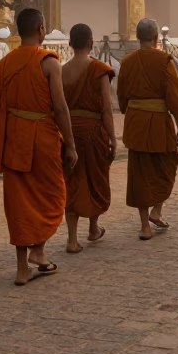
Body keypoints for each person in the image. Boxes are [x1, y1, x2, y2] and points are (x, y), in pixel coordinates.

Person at [0, 8, 77, 286]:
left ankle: (24, 266)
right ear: (41, 30)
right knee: (51, 194)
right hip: (42, 138)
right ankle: (38, 253)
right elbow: (61, 108)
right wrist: (71, 145)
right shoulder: (49, 63)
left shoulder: (4, 64)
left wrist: (14, 121)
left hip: (14, 139)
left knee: (19, 202)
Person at [117, 18, 178, 240]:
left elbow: (122, 100)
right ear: (156, 38)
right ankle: (156, 210)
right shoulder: (165, 61)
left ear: (138, 38)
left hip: (136, 121)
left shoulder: (127, 62)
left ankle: (145, 224)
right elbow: (174, 100)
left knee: (139, 173)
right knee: (166, 165)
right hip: (159, 121)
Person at [60, 23, 116, 254]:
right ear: (91, 43)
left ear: (70, 44)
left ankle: (72, 240)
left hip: (70, 132)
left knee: (72, 183)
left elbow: (58, 108)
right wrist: (112, 138)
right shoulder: (99, 69)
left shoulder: (61, 71)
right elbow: (106, 108)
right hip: (94, 133)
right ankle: (92, 228)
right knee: (95, 180)